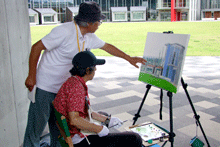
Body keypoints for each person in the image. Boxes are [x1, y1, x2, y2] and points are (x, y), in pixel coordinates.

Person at [24, 1, 146, 147]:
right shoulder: (63, 31)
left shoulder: (88, 36)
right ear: (89, 22)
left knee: (59, 130)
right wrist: (31, 75)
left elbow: (108, 48)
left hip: (63, 90)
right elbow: (36, 47)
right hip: (45, 86)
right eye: (98, 21)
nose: (100, 24)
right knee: (35, 129)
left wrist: (129, 58)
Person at [53, 51, 143, 147]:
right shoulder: (77, 88)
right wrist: (99, 129)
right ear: (88, 70)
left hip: (72, 132)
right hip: (79, 140)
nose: (96, 69)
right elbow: (74, 120)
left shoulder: (73, 81)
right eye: (94, 67)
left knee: (103, 115)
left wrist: (108, 120)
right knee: (135, 138)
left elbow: (86, 110)